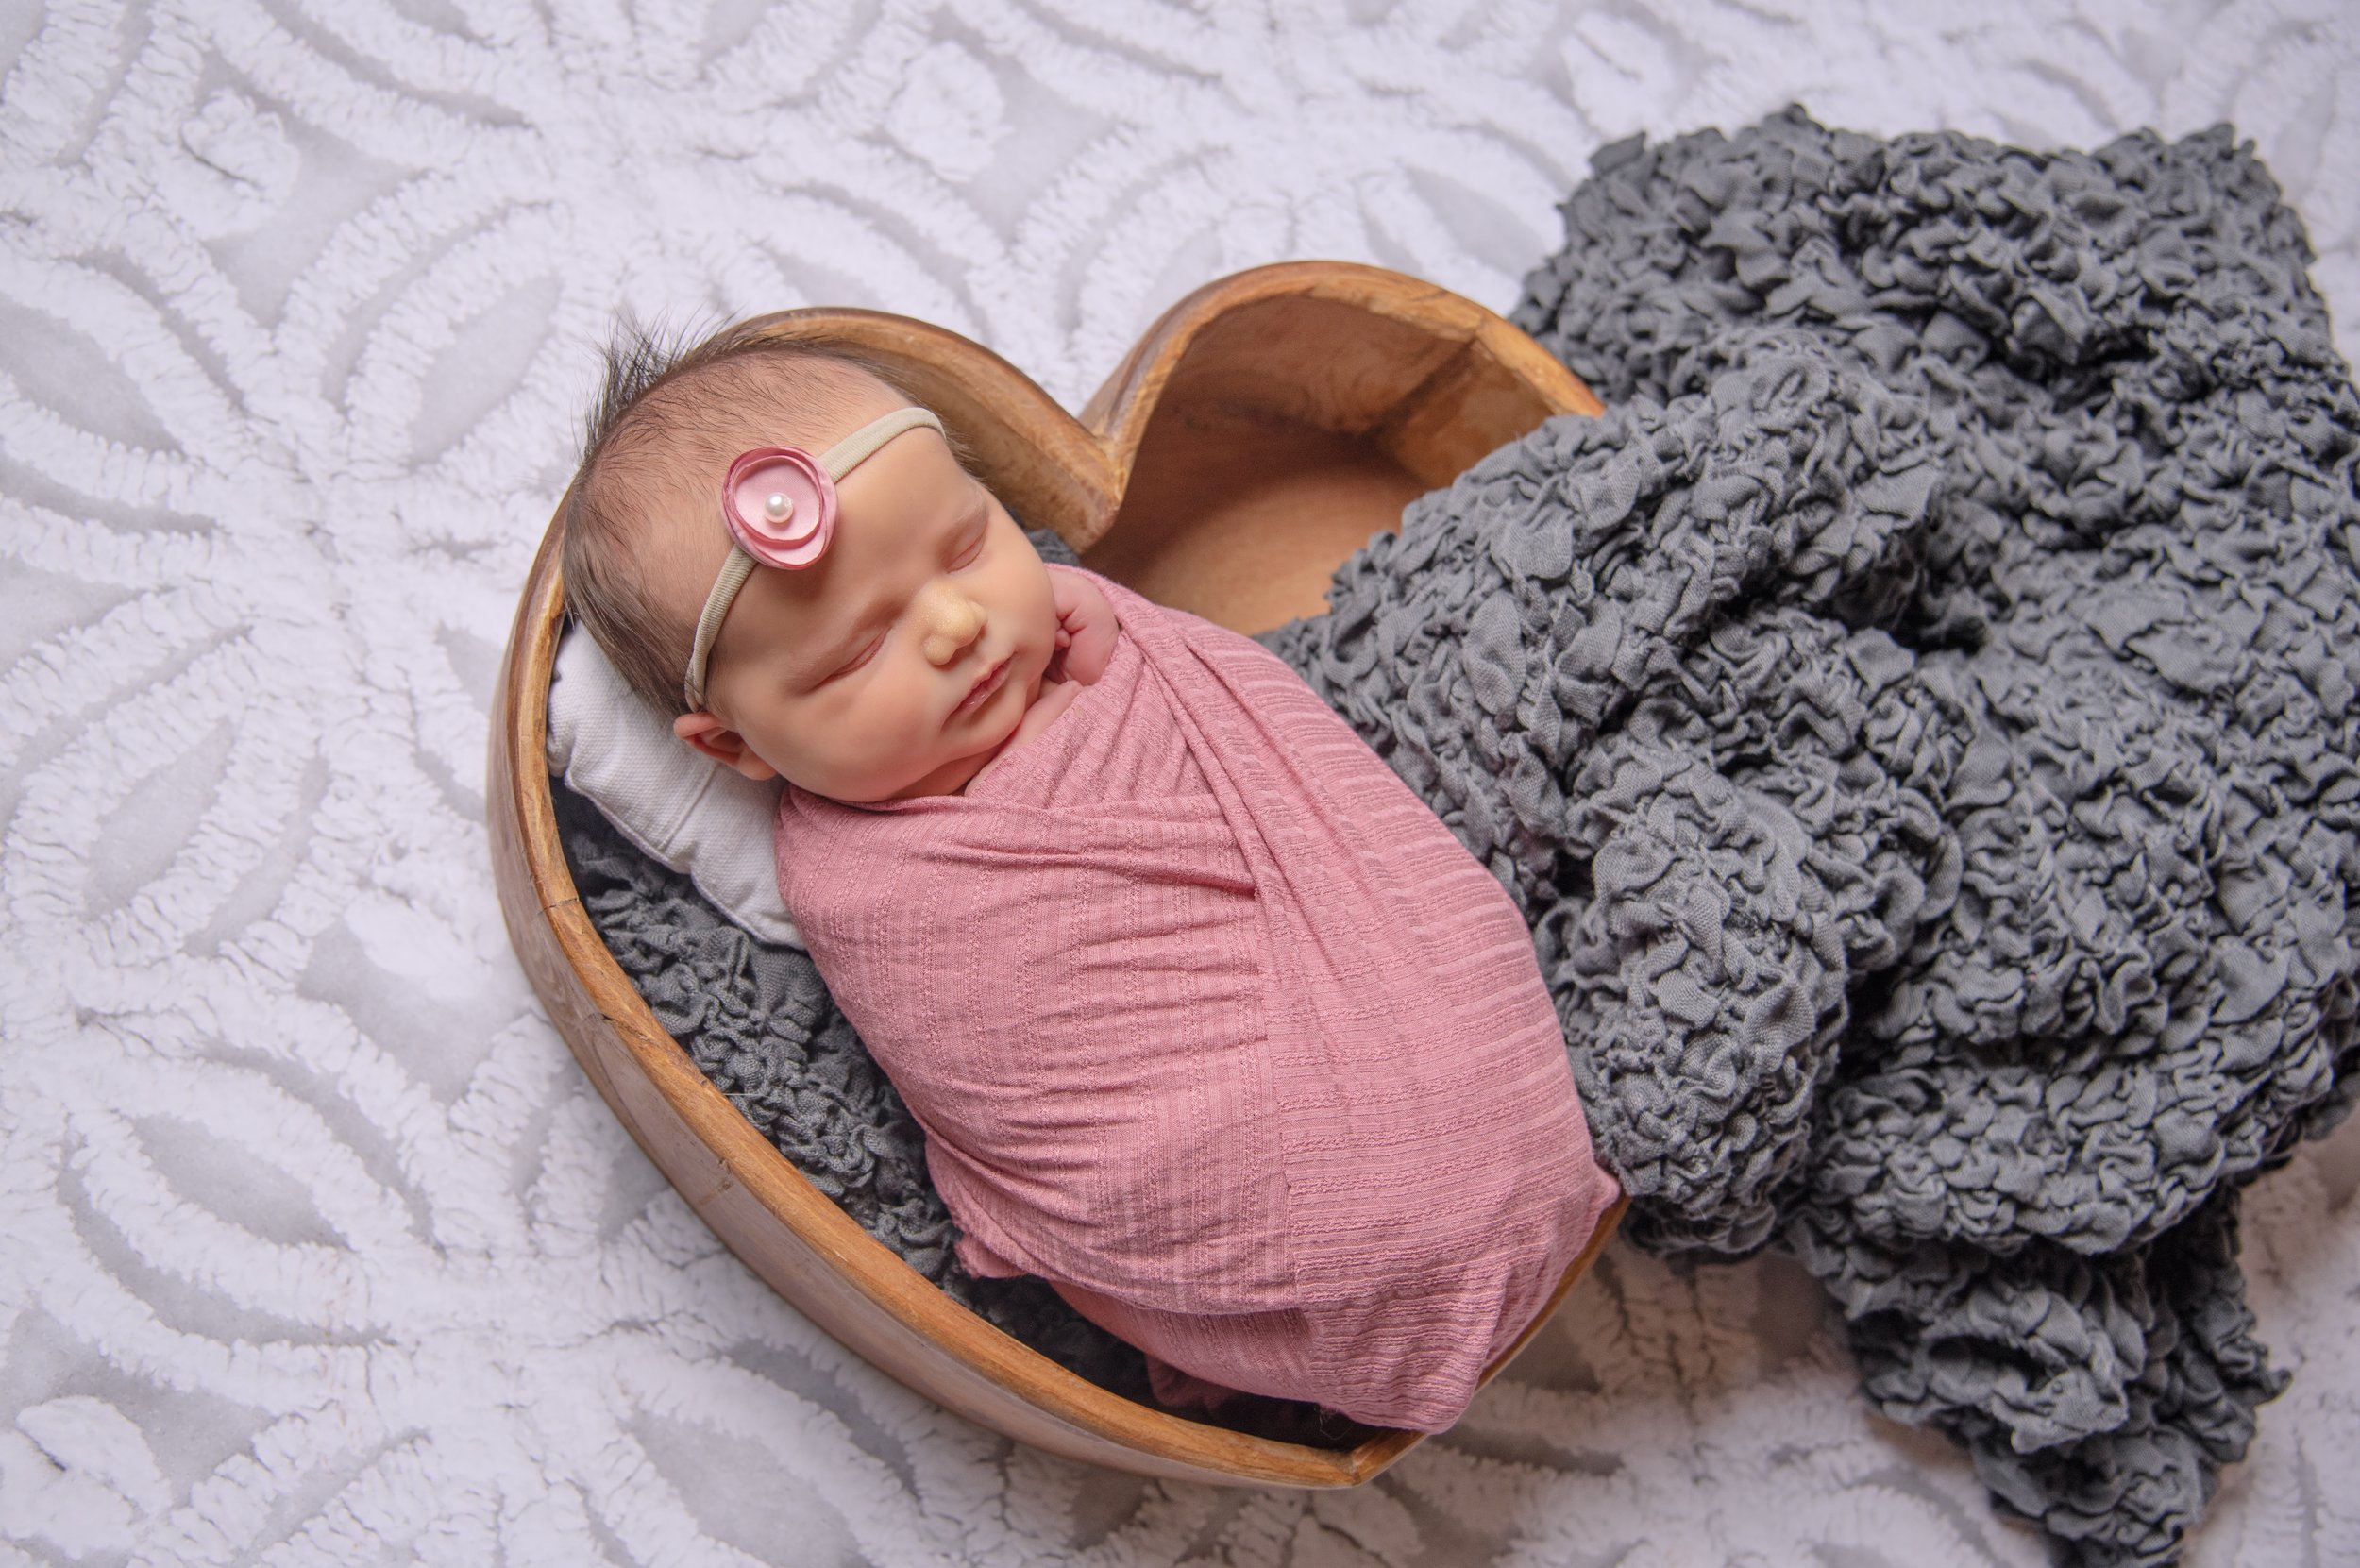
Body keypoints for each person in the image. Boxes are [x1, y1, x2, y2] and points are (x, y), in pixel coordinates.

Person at [560, 323, 1618, 1431]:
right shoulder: (866, 884)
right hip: (1250, 1212)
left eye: (968, 545)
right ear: (737, 748)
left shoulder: (1110, 648)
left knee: (1425, 947)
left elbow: (1284, 758)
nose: (958, 625)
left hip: (1452, 1049)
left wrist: (1137, 650)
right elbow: (1001, 1049)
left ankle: (1460, 1181)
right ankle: (1371, 1261)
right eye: (855, 653)